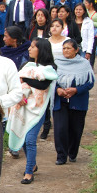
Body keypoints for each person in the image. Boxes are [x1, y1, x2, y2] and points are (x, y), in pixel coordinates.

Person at [7, 39, 58, 184]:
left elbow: (42, 85)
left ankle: (29, 172)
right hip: (22, 106)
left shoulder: (49, 68)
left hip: (38, 109)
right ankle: (33, 164)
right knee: (22, 136)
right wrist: (20, 95)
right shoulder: (26, 65)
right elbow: (18, 82)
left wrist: (26, 80)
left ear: (41, 49)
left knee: (30, 139)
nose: (29, 49)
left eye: (33, 47)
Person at [53, 39, 95, 165]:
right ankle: (61, 155)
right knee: (60, 129)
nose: (65, 50)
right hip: (60, 100)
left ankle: (72, 153)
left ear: (76, 50)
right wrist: (58, 90)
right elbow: (49, 81)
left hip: (78, 101)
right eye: (64, 48)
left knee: (76, 129)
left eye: (68, 48)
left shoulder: (84, 64)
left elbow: (90, 83)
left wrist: (76, 90)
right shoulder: (56, 63)